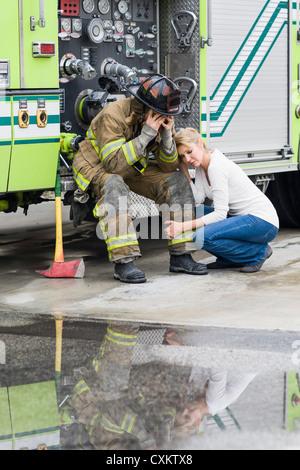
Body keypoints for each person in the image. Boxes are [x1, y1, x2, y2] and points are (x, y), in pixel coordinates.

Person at [72, 76, 207, 283]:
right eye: (161, 115)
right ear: (145, 107)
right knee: (115, 184)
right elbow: (113, 166)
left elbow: (167, 166)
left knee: (177, 181)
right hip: (96, 164)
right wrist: (147, 134)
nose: (165, 118)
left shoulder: (162, 115)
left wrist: (167, 137)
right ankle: (123, 263)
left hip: (132, 163)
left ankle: (182, 256)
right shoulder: (112, 115)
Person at [164, 128, 279, 273]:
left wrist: (182, 226)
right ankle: (230, 258)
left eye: (189, 151)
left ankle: (258, 252)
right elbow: (198, 199)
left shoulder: (216, 167)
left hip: (263, 222)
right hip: (240, 218)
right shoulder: (201, 166)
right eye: (182, 157)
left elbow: (220, 215)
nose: (187, 159)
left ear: (200, 143)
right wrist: (184, 170)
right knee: (192, 212)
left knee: (201, 237)